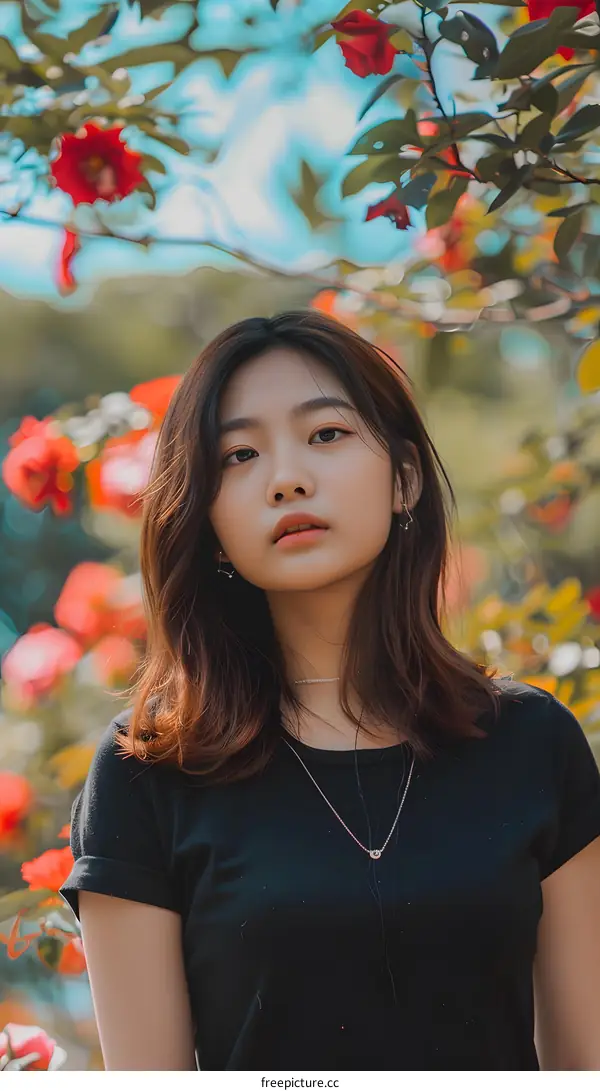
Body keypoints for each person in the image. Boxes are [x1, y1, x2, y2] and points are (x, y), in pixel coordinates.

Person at [59, 311, 600, 1072]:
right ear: (210, 524)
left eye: (326, 435)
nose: (287, 478)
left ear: (405, 477)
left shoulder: (533, 743)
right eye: (240, 454)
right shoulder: (150, 772)